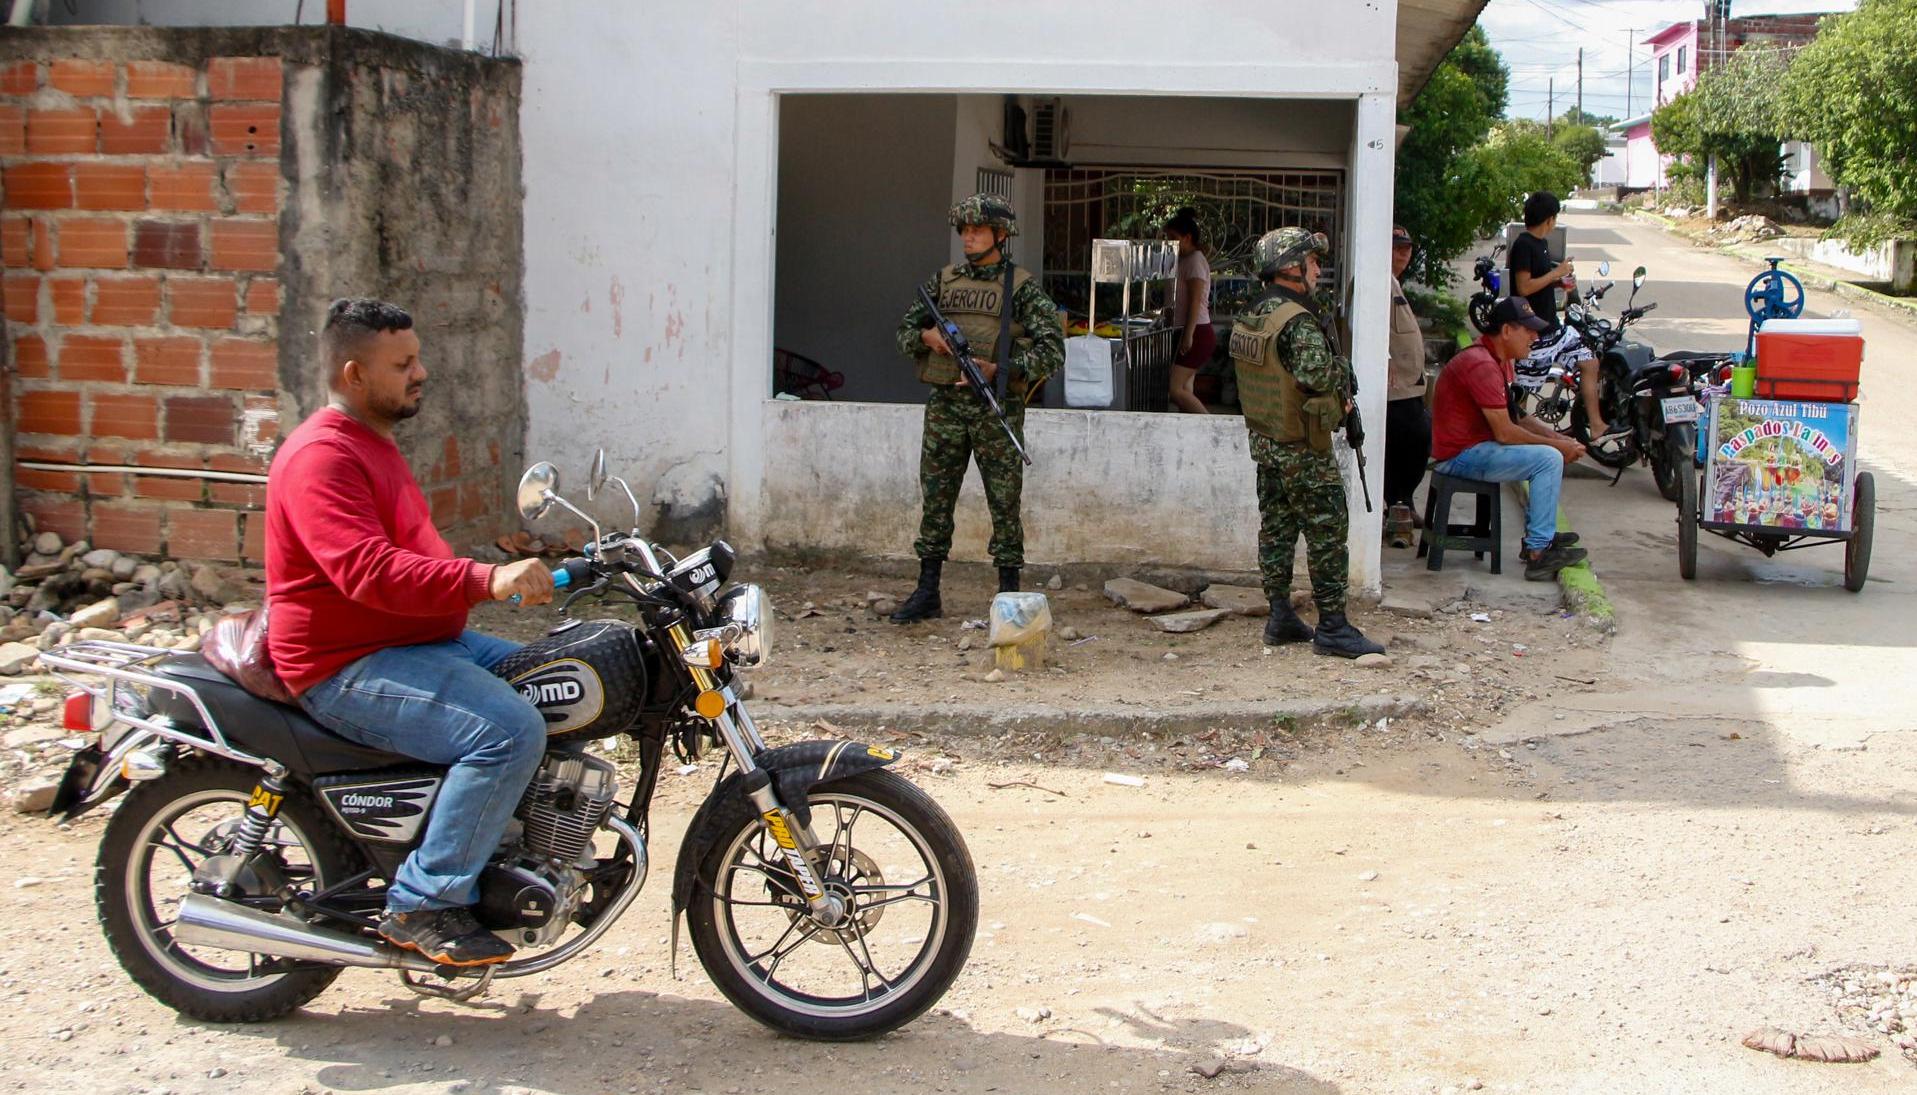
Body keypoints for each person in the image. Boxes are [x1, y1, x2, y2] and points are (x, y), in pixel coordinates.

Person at [266, 298, 555, 967]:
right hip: (346, 660)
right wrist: (487, 580)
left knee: (557, 677)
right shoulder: (321, 458)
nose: (420, 372)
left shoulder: (373, 443)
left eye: (417, 357)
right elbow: (367, 571)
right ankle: (423, 902)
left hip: (411, 640)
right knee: (508, 730)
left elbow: (415, 557)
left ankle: (511, 849)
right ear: (353, 375)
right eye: (402, 364)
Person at [889, 194, 1064, 623]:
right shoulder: (942, 283)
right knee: (937, 499)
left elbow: (1052, 352)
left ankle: (1008, 596)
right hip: (946, 406)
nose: (968, 237)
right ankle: (927, 590)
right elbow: (904, 333)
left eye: (977, 230)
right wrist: (929, 339)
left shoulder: (1020, 288)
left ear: (1000, 235)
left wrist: (998, 369)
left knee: (1004, 503)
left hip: (995, 409)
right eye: (964, 230)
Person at [1228, 226, 1385, 658]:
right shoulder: (1297, 320)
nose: (1319, 269)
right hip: (1303, 449)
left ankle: (1280, 616)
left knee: (1276, 529)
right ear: (1291, 268)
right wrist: (1343, 371)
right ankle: (1333, 627)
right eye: (1313, 262)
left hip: (1268, 443)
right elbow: (1315, 375)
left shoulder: (1253, 314)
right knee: (1327, 533)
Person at [1428, 296, 1591, 582]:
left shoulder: (1498, 360)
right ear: (1506, 331)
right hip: (1459, 456)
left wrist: (1560, 438)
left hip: (1475, 448)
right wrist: (1558, 447)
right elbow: (1505, 432)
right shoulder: (1481, 364)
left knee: (1551, 452)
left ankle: (1540, 537)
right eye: (1527, 330)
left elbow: (1516, 417)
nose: (1534, 336)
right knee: (1548, 459)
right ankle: (1539, 552)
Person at [1507, 190, 1609, 436]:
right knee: (1524, 388)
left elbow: (1538, 283)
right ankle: (1519, 436)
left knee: (1589, 361)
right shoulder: (1523, 245)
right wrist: (1556, 272)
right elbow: (1524, 287)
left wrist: (1558, 283)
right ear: (1550, 219)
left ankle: (1596, 425)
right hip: (1532, 333)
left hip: (1554, 328)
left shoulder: (1542, 245)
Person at [1383, 225, 1430, 547]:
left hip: (1408, 384)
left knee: (1413, 443)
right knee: (1410, 440)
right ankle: (1397, 504)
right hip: (1393, 385)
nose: (1403, 254)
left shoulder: (1393, 282)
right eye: (1396, 247)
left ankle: (1403, 503)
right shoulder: (1374, 280)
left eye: (1407, 248)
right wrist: (1383, 358)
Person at [1164, 207, 1213, 414]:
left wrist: (1188, 334)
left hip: (1197, 331)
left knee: (1174, 389)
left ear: (1187, 237)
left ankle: (1212, 426)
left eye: (1173, 238)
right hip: (1188, 330)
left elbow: (1195, 301)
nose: (1170, 243)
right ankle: (1192, 431)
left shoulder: (1194, 261)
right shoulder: (1184, 260)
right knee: (1185, 389)